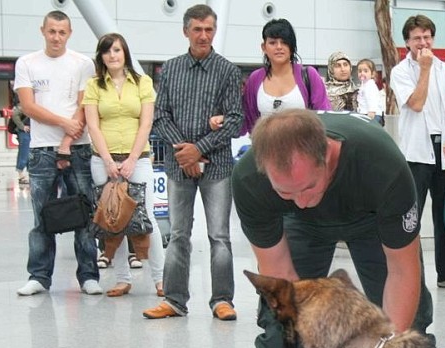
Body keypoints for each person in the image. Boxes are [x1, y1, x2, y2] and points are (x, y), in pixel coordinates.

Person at [231, 109, 433, 348]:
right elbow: (281, 279)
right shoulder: (250, 181)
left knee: (408, 331)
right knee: (277, 336)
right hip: (299, 226)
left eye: (307, 186)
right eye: (285, 192)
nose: (301, 199)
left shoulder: (381, 165)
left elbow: (401, 270)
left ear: (327, 154)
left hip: (371, 218)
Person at [142, 4, 243, 320]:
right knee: (178, 234)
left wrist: (198, 150)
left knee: (220, 236)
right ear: (186, 31)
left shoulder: (227, 71)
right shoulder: (170, 69)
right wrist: (183, 151)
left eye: (209, 29)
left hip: (217, 167)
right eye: (197, 29)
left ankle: (222, 300)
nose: (203, 35)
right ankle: (173, 300)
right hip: (177, 166)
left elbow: (235, 120)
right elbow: (160, 116)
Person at [14, 10, 100, 297]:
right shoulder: (26, 63)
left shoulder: (83, 64)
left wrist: (68, 136)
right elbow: (28, 106)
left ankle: (89, 275)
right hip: (40, 151)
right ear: (43, 31)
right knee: (41, 216)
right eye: (52, 31)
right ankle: (39, 276)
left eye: (62, 32)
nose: (56, 37)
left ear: (69, 33)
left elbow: (84, 104)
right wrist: (65, 123)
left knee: (85, 214)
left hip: (79, 149)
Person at [390, 14, 445, 289]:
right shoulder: (400, 72)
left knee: (444, 214)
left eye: (427, 37)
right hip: (415, 153)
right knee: (411, 216)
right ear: (407, 43)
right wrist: (424, 69)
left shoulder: (444, 69)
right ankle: (411, 275)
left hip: (443, 149)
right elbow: (416, 103)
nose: (423, 43)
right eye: (417, 38)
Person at [83, 33, 165, 298]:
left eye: (117, 50)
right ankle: (121, 279)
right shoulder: (94, 85)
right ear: (101, 56)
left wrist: (131, 159)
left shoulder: (143, 82)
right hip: (103, 161)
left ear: (125, 53)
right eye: (107, 51)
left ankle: (161, 279)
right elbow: (93, 125)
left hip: (137, 160)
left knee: (147, 217)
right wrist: (108, 160)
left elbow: (146, 123)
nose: (112, 55)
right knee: (112, 219)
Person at [239, 18, 330, 135]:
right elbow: (247, 122)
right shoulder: (254, 79)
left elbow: (325, 119)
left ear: (292, 47)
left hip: (304, 149)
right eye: (272, 42)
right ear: (264, 47)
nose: (279, 47)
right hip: (265, 150)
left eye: (284, 42)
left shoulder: (309, 75)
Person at [10, 92, 31, 185]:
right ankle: (21, 174)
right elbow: (15, 115)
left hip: (30, 132)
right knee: (24, 152)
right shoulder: (26, 104)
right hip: (25, 132)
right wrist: (22, 126)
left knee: (29, 153)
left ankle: (26, 174)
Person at [356, 58, 384, 124]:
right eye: (360, 71)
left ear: (372, 74)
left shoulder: (370, 85)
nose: (362, 73)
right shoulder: (364, 84)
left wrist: (370, 117)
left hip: (372, 115)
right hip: (365, 114)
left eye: (365, 71)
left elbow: (372, 101)